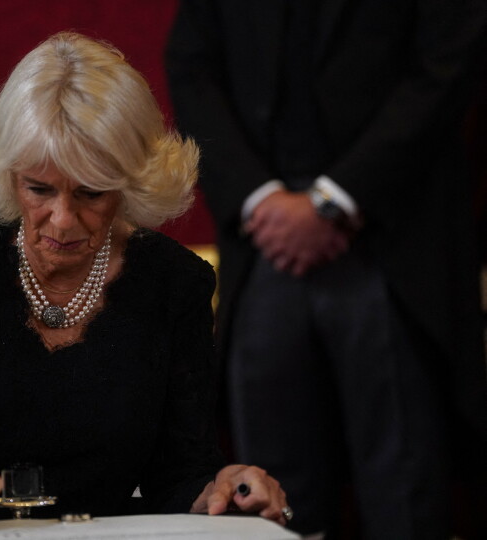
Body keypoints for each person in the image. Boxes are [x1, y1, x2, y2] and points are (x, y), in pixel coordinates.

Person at [0, 32, 291, 530]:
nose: (62, 220)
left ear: (130, 183)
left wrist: (226, 489)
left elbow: (181, 472)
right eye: (39, 188)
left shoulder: (175, 282)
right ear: (11, 175)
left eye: (92, 193)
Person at [166, 1, 487, 539]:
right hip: (264, 248)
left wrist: (335, 201)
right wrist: (260, 199)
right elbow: (191, 63)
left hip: (395, 249)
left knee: (404, 496)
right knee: (272, 507)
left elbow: (448, 62)